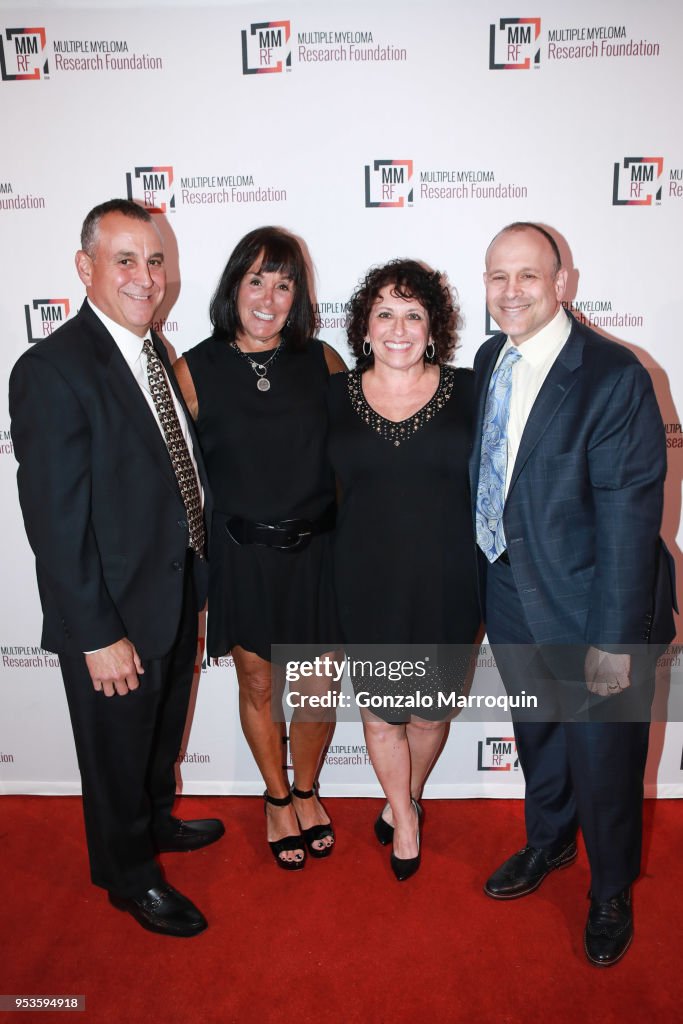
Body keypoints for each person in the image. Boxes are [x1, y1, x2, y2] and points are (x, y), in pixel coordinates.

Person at [9, 199, 224, 938]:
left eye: (154, 260)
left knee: (157, 737)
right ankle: (129, 877)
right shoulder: (52, 369)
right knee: (115, 753)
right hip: (110, 611)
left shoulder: (150, 348)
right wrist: (97, 633)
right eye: (125, 260)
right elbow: (54, 523)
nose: (145, 276)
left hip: (171, 588)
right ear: (85, 267)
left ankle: (155, 822)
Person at [471, 221, 676, 965]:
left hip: (593, 601)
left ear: (562, 283)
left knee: (604, 754)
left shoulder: (612, 376)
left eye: (527, 275)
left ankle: (610, 888)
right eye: (497, 276)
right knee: (538, 733)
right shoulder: (489, 356)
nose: (510, 291)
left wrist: (613, 644)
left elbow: (628, 521)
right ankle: (551, 840)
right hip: (508, 588)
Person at [173, 227, 345, 871]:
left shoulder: (322, 360)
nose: (268, 299)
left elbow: (355, 455)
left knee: (318, 688)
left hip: (318, 554)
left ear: (298, 296)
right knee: (258, 683)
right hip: (243, 556)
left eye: (283, 284)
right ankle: (276, 797)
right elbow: (173, 474)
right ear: (234, 288)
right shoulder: (194, 370)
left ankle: (307, 790)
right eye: (256, 281)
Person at [328, 259, 481, 881]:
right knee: (382, 714)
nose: (398, 329)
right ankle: (405, 820)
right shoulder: (332, 397)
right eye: (384, 314)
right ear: (364, 328)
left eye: (413, 315)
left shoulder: (471, 391)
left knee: (429, 713)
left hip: (450, 579)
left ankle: (405, 796)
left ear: (433, 327)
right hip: (365, 579)